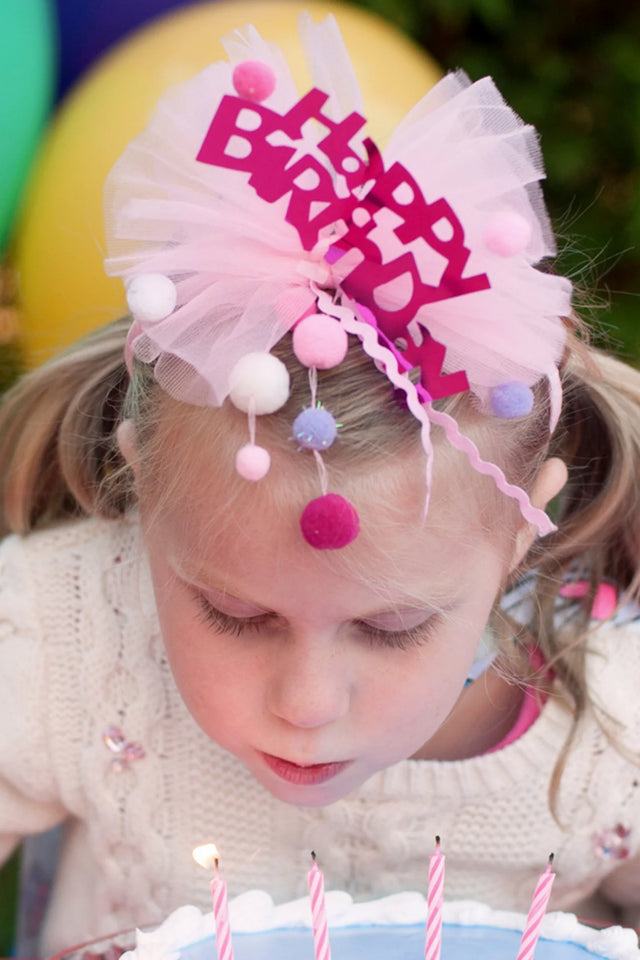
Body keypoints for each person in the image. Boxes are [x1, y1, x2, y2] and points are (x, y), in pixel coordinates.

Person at [1, 12, 640, 957]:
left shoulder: (617, 739)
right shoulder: (60, 638)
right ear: (142, 487)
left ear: (522, 528)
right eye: (233, 614)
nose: (306, 705)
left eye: (393, 627)